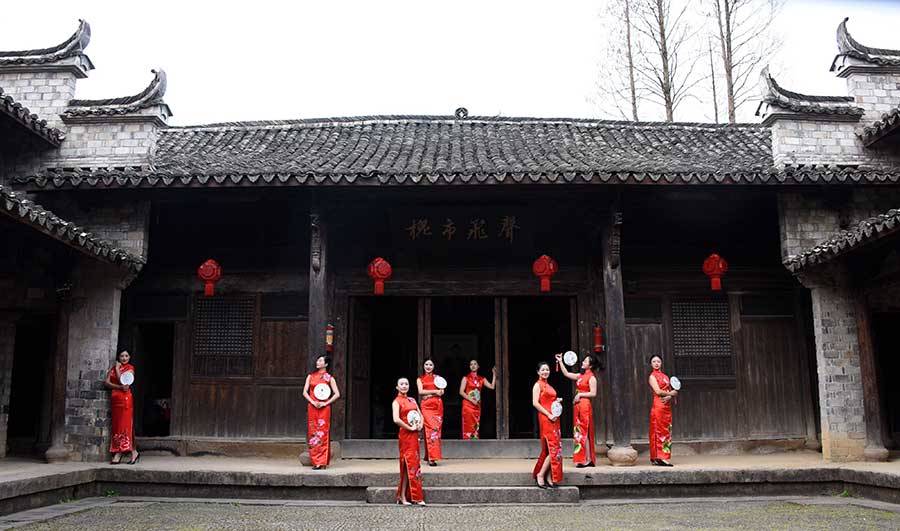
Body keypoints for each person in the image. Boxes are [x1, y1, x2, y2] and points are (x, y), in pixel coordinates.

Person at [556, 352, 599, 467]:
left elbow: (593, 393)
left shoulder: (592, 378)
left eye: (585, 361)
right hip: (578, 406)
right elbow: (566, 373)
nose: (583, 362)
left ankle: (587, 459)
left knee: (583, 431)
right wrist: (560, 361)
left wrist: (580, 395)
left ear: (590, 365)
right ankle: (585, 459)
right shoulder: (581, 376)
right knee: (580, 432)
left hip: (584, 405)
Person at [302, 355, 341, 470]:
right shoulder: (310, 377)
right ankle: (315, 460)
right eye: (317, 360)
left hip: (324, 408)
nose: (317, 362)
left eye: (320, 360)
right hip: (312, 407)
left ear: (326, 364)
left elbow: (337, 394)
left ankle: (321, 461)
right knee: (313, 432)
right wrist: (313, 402)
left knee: (323, 433)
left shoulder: (330, 378)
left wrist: (326, 403)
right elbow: (305, 392)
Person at [393, 377, 425, 505]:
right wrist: (409, 427)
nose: (404, 386)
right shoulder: (396, 402)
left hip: (414, 434)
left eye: (406, 383)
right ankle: (404, 496)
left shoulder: (412, 400)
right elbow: (396, 419)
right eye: (401, 384)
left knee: (414, 465)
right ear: (397, 387)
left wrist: (420, 425)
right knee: (406, 464)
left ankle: (413, 496)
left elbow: (420, 414)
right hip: (405, 435)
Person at [105, 349, 138, 465]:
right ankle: (134, 452)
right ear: (118, 357)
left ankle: (118, 453)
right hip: (115, 400)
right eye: (122, 356)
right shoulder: (113, 369)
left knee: (125, 425)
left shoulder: (130, 369)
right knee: (117, 425)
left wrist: (118, 369)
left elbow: (122, 381)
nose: (124, 358)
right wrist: (118, 388)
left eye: (126, 356)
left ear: (129, 357)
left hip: (125, 401)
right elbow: (107, 383)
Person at [532, 361, 563, 488]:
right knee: (553, 448)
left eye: (547, 370)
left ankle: (549, 477)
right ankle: (540, 474)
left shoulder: (548, 385)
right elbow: (535, 403)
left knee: (552, 448)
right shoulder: (537, 385)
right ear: (538, 372)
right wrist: (548, 414)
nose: (546, 372)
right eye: (543, 370)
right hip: (546, 418)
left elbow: (548, 400)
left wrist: (556, 401)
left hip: (554, 418)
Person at [648, 355, 677, 467]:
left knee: (666, 430)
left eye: (658, 361)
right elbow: (658, 391)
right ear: (651, 364)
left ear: (661, 363)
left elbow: (672, 390)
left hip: (666, 406)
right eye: (654, 361)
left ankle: (660, 456)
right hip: (658, 405)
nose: (656, 363)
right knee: (657, 430)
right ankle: (658, 457)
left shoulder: (666, 377)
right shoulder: (652, 376)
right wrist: (670, 394)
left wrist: (670, 396)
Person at [458, 359, 497, 440]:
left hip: (477, 406)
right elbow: (461, 392)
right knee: (468, 424)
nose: (473, 365)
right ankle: (467, 441)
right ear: (469, 367)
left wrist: (494, 374)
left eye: (475, 364)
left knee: (476, 425)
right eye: (471, 364)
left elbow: (492, 387)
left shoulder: (481, 379)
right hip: (468, 405)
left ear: (478, 366)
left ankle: (475, 442)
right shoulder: (466, 378)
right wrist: (472, 400)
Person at [416, 359, 444, 466]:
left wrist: (432, 394)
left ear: (434, 366)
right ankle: (432, 458)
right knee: (431, 429)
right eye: (426, 364)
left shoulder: (438, 378)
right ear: (423, 366)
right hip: (427, 407)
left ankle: (429, 455)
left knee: (436, 430)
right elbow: (420, 392)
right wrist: (434, 392)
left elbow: (442, 392)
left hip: (437, 406)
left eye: (430, 364)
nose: (428, 366)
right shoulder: (420, 379)